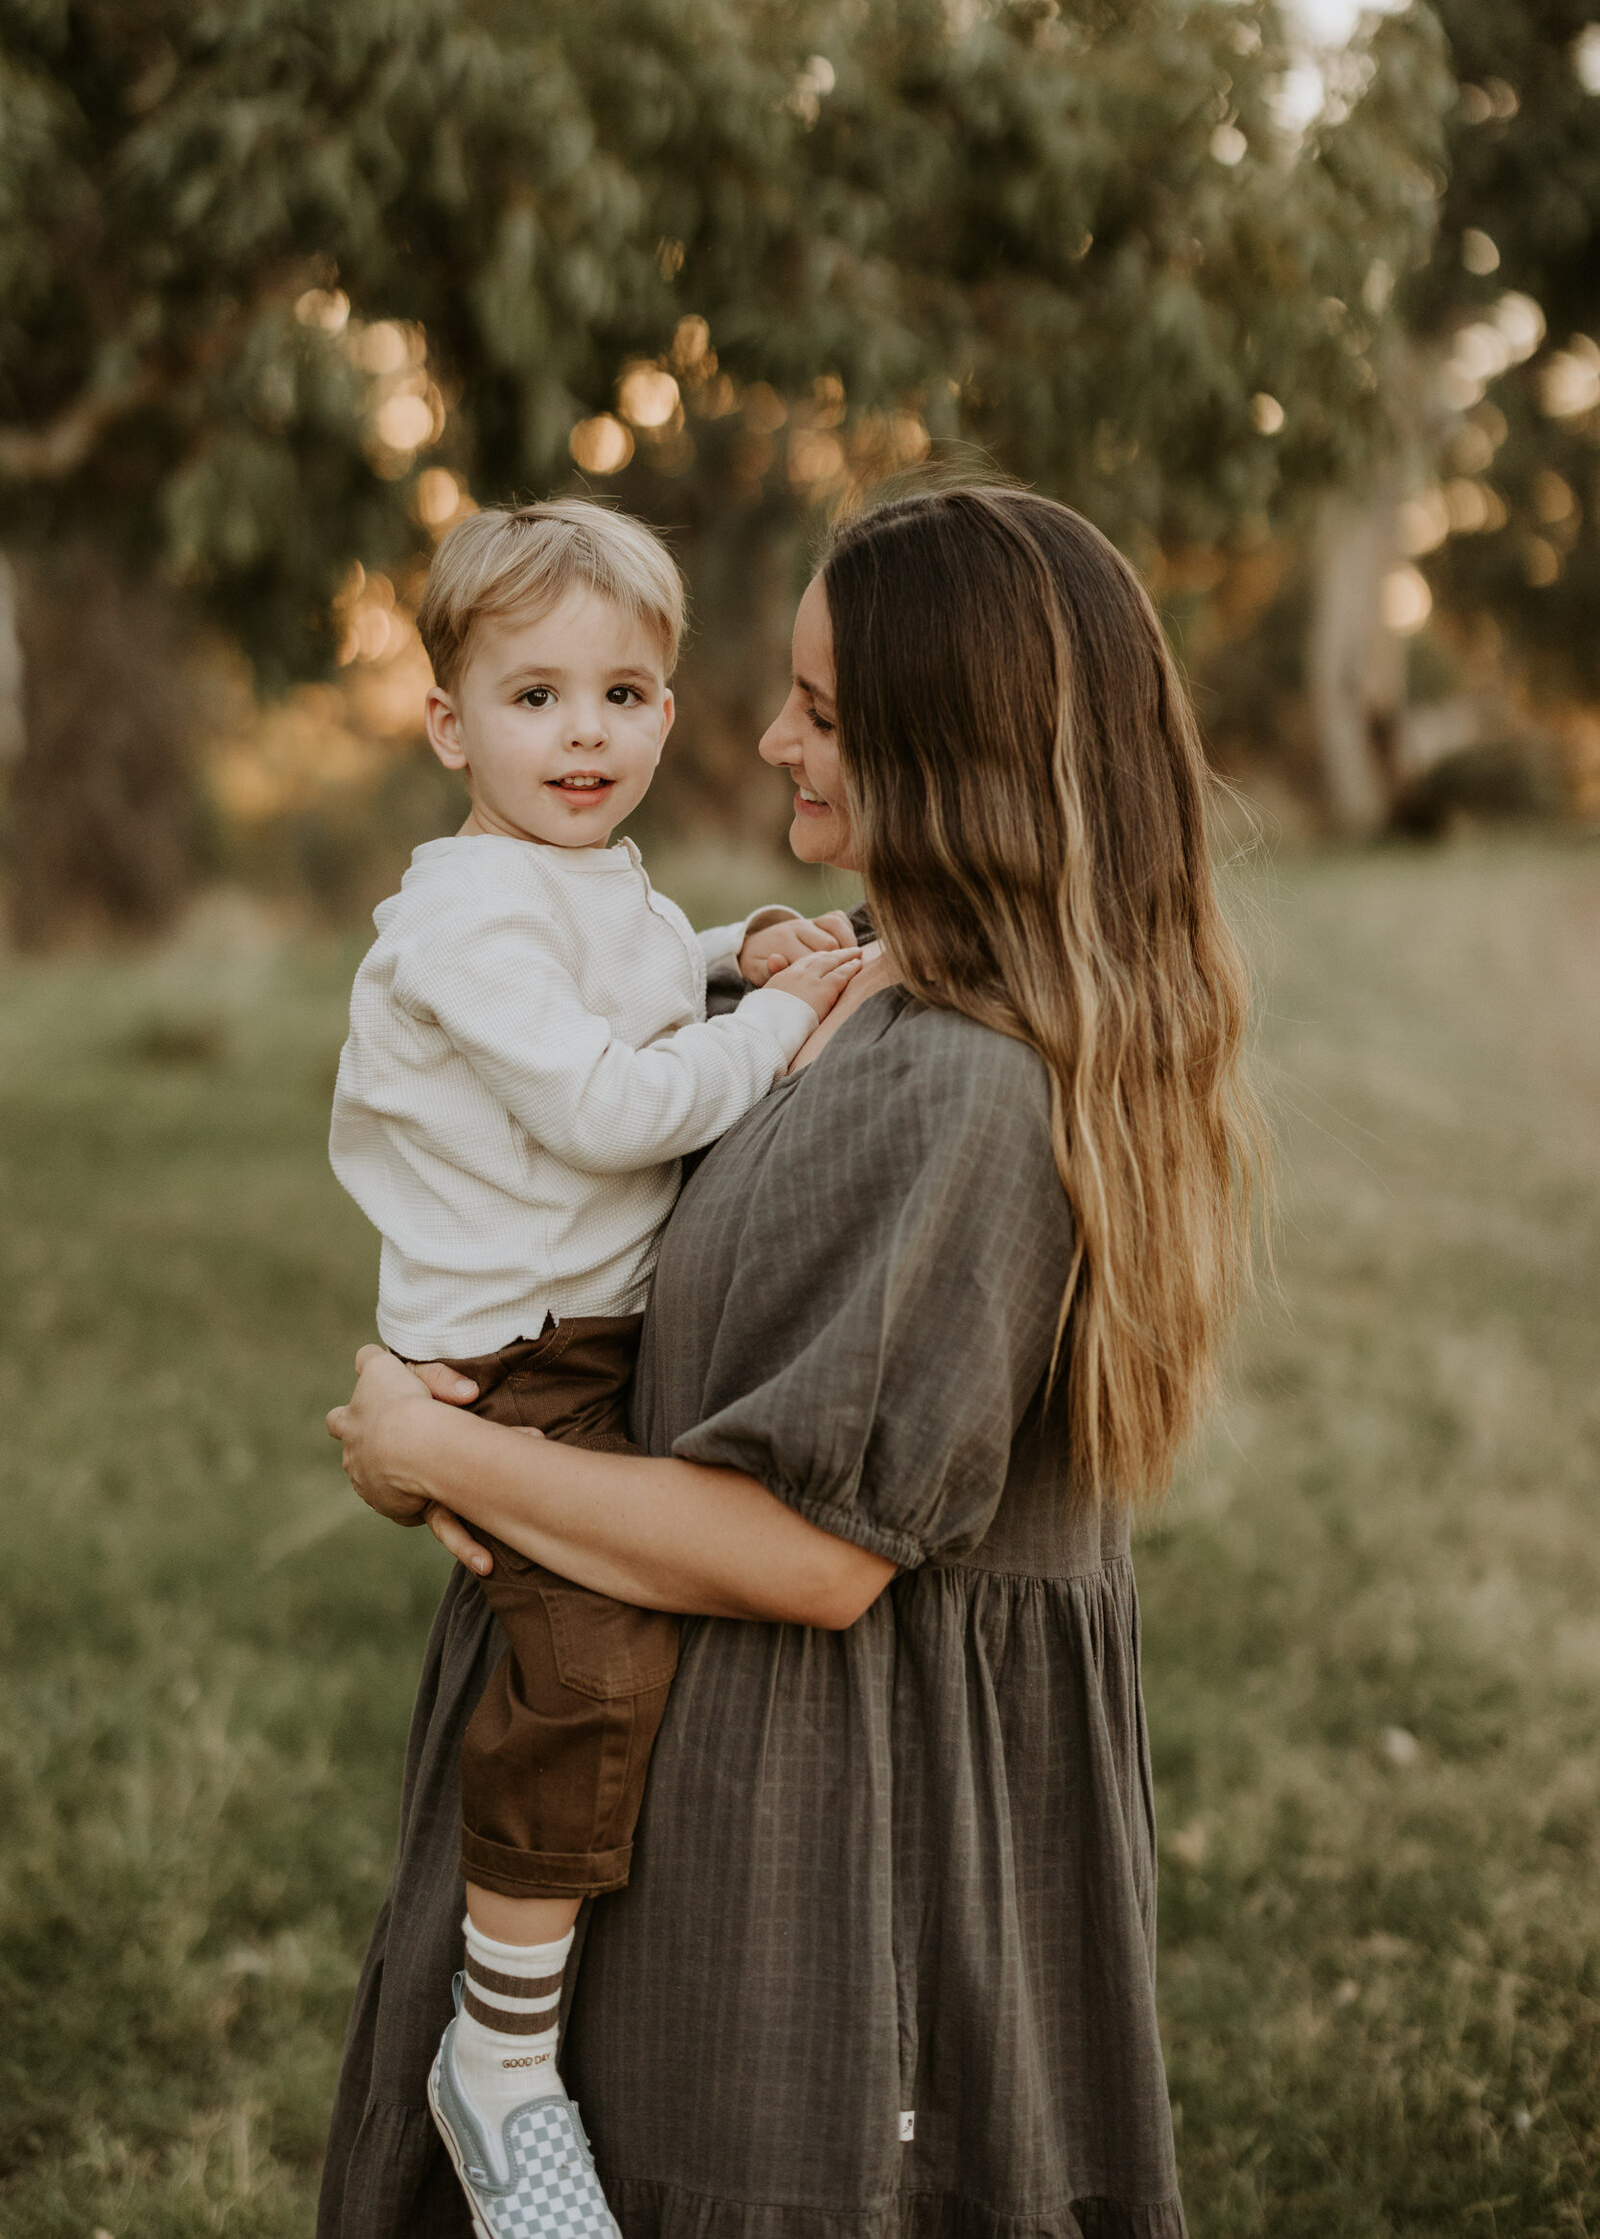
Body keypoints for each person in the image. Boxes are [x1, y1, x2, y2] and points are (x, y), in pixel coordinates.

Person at [321, 485, 1263, 2239]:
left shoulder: (970, 1087)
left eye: (821, 713)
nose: (760, 739)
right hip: (696, 1758)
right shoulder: (873, 990)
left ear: (948, 750)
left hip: (827, 1816)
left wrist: (426, 1448)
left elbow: (813, 1555)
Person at [328, 498, 864, 2236]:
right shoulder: (467, 913)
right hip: (516, 1365)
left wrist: (731, 955)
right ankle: (497, 2061)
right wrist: (784, 1028)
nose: (587, 735)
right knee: (592, 1668)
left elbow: (630, 980)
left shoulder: (574, 879)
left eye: (626, 695)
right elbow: (608, 1098)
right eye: (538, 696)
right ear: (445, 725)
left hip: (576, 1336)